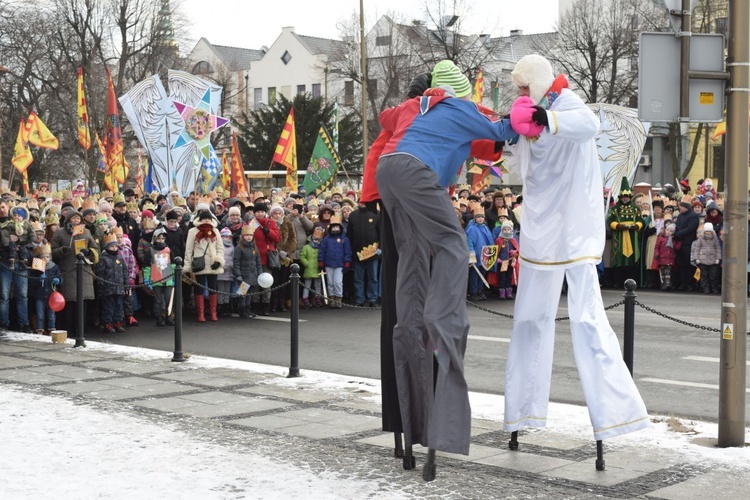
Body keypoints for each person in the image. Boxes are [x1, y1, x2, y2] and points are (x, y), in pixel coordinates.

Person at [503, 54, 649, 441]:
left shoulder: (565, 104)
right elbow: (517, 168)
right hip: (539, 231)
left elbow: (588, 125)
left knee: (587, 319)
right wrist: (500, 143)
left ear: (536, 82)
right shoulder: (532, 113)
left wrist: (544, 120)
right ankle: (522, 414)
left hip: (573, 230)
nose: (519, 94)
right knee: (529, 321)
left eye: (523, 86)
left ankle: (616, 417)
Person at [375, 59, 517, 456]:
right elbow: (502, 130)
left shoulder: (417, 107)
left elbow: (387, 116)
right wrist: (525, 116)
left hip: (389, 173)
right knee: (454, 245)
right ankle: (440, 319)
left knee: (413, 256)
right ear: (460, 90)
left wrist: (415, 98)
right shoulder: (459, 107)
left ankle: (412, 323)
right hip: (420, 173)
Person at [50, 209, 99, 337]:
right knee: (70, 302)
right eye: (73, 218)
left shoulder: (87, 232)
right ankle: (69, 330)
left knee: (83, 302)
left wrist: (89, 252)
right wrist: (62, 251)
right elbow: (52, 252)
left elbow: (96, 248)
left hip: (84, 271)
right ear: (68, 220)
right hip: (68, 270)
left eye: (78, 219)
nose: (76, 221)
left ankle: (81, 330)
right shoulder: (60, 233)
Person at [184, 210, 225, 322]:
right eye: (204, 218)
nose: (206, 220)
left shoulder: (215, 230)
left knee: (213, 287)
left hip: (213, 263)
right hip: (199, 264)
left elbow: (220, 248)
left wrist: (219, 261)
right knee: (199, 287)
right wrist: (187, 265)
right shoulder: (193, 231)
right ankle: (200, 313)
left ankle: (213, 312)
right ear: (200, 219)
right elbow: (188, 249)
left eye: (208, 218)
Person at [607, 178, 644, 288]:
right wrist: (618, 226)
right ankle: (617, 282)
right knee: (619, 260)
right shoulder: (615, 209)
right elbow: (610, 221)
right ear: (620, 197)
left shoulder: (636, 209)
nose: (625, 198)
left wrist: (636, 226)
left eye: (627, 196)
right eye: (623, 196)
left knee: (632, 261)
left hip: (632, 236)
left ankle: (632, 282)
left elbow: (640, 220)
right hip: (619, 236)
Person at [347, 201, 380, 307]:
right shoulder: (353, 215)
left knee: (373, 278)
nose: (362, 203)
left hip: (373, 253)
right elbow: (349, 234)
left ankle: (372, 299)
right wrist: (351, 250)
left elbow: (381, 233)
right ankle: (359, 299)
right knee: (358, 278)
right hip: (357, 253)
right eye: (360, 201)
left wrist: (381, 248)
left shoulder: (376, 214)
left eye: (364, 201)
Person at [95, 233, 128, 333]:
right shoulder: (103, 259)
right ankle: (108, 323)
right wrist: (101, 287)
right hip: (108, 288)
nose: (114, 248)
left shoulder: (120, 259)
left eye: (115, 246)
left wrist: (126, 286)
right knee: (108, 307)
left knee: (119, 306)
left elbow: (125, 273)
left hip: (119, 288)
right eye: (112, 246)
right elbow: (100, 274)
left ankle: (118, 322)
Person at [143, 227, 175, 326]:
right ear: (155, 238)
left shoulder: (168, 250)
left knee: (168, 299)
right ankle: (159, 317)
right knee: (158, 300)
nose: (161, 240)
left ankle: (169, 317)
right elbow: (147, 266)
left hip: (168, 278)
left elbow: (173, 264)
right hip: (156, 278)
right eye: (159, 238)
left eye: (162, 238)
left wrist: (174, 277)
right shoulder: (150, 251)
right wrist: (146, 279)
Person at [28, 242, 62, 335]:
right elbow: (31, 282)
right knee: (40, 314)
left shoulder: (55, 267)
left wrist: (58, 280)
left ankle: (51, 328)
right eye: (43, 257)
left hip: (51, 295)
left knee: (51, 314)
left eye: (47, 257)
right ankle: (40, 329)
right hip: (39, 295)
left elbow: (61, 278)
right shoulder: (36, 269)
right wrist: (39, 280)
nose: (45, 259)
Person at [317, 214, 351, 309]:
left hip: (340, 264)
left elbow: (348, 252)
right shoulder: (326, 239)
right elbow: (322, 251)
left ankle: (338, 298)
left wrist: (347, 262)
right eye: (333, 227)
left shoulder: (344, 239)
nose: (335, 229)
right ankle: (332, 298)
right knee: (330, 283)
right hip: (328, 264)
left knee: (338, 282)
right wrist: (321, 261)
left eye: (337, 227)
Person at [233, 223, 262, 319]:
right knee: (242, 293)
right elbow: (236, 262)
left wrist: (260, 273)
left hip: (253, 273)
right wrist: (238, 274)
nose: (249, 237)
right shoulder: (239, 248)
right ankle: (242, 309)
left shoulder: (254, 247)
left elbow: (258, 262)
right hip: (243, 274)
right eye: (247, 235)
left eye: (250, 235)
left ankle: (247, 308)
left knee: (250, 292)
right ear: (243, 236)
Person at [465, 206, 493, 301]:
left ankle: (480, 290)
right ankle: (473, 292)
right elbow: (470, 242)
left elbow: (489, 241)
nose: (480, 219)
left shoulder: (485, 228)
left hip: (485, 255)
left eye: (482, 217)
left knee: (482, 273)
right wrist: (471, 254)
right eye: (478, 217)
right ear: (474, 218)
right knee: (474, 274)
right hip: (476, 255)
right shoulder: (471, 229)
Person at [673, 201, 700, 291]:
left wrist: (678, 234)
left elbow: (690, 228)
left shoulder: (693, 216)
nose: (679, 208)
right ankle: (682, 283)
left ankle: (689, 283)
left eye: (680, 206)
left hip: (688, 243)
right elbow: (677, 226)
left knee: (688, 264)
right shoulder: (680, 215)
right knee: (681, 264)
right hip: (680, 242)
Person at [691, 222, 722, 294]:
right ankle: (706, 289)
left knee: (713, 276)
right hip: (702, 260)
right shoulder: (701, 238)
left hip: (713, 260)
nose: (708, 232)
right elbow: (697, 249)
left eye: (709, 231)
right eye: (706, 231)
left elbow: (718, 249)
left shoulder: (715, 238)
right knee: (704, 276)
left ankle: (714, 289)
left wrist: (718, 258)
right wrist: (696, 258)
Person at [299, 226, 325, 309]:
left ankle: (318, 298)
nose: (316, 239)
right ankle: (305, 299)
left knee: (318, 285)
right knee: (307, 285)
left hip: (318, 268)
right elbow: (302, 256)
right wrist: (306, 264)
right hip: (309, 268)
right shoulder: (306, 247)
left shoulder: (321, 247)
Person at [217, 227, 236, 316]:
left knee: (227, 291)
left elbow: (233, 258)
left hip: (229, 272)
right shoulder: (219, 246)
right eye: (225, 236)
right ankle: (220, 306)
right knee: (221, 290)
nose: (228, 238)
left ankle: (226, 306)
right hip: (221, 272)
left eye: (229, 237)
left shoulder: (232, 247)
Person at [654, 223, 678, 290]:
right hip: (662, 258)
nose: (668, 232)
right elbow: (657, 247)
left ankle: (667, 283)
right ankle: (663, 283)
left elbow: (676, 248)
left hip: (669, 259)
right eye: (667, 230)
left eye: (671, 231)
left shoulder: (673, 240)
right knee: (662, 272)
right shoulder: (661, 238)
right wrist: (656, 253)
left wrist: (679, 242)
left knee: (668, 272)